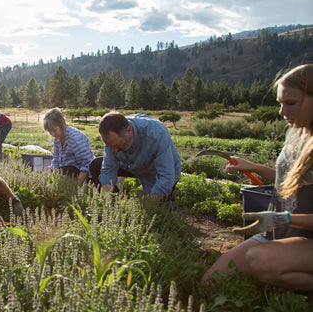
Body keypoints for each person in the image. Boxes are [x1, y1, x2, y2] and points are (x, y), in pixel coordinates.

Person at [202, 64, 313, 293]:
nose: (282, 111)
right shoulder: (296, 132)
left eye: (290, 103)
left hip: (304, 237)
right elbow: (290, 181)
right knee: (209, 283)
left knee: (260, 260)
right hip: (279, 232)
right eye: (279, 103)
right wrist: (253, 167)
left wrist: (282, 218)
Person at [89, 112, 181, 201]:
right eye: (110, 146)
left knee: (158, 208)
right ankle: (116, 201)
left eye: (118, 145)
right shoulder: (112, 138)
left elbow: (166, 177)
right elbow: (108, 169)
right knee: (95, 165)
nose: (114, 151)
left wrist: (147, 204)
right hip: (130, 165)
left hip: (154, 171)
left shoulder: (157, 134)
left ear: (129, 131)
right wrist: (108, 198)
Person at [43, 108, 95, 182]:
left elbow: (87, 163)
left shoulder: (75, 138)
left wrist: (77, 184)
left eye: (54, 130)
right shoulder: (57, 139)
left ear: (62, 125)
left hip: (82, 176)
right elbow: (56, 159)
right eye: (49, 131)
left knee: (68, 169)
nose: (53, 134)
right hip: (66, 175)